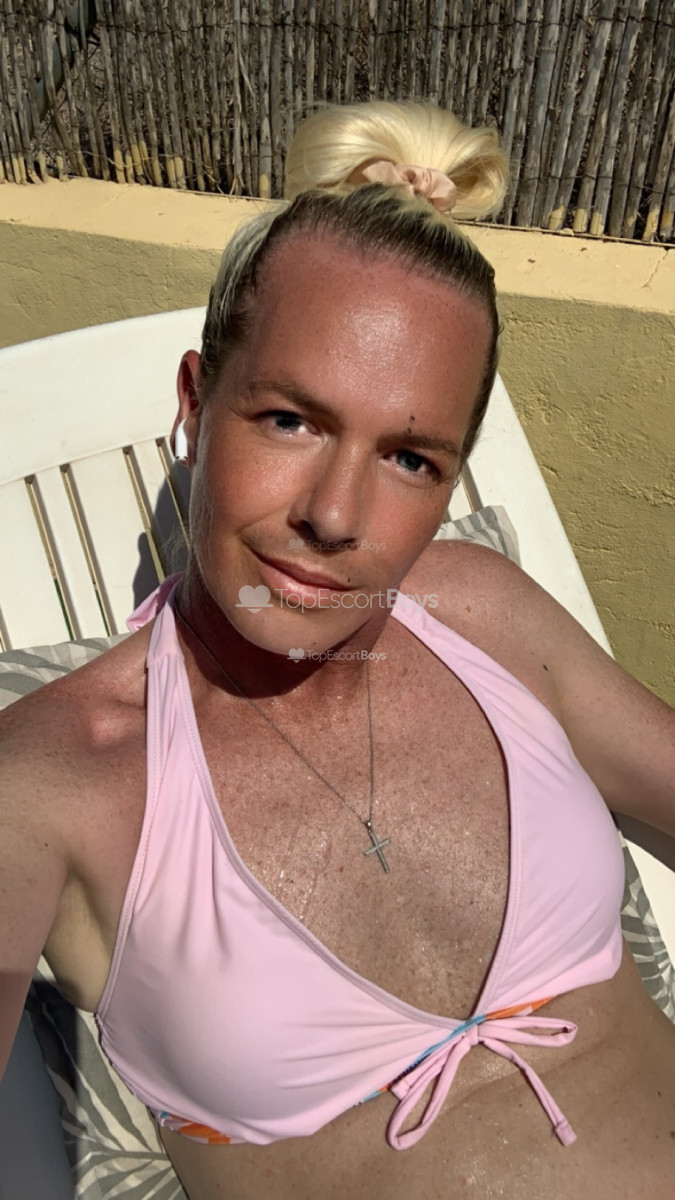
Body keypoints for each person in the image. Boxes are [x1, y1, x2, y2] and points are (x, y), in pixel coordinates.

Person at [1, 99, 674, 1200]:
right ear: (196, 402)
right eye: (290, 420)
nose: (333, 515)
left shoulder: (478, 616)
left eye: (410, 458)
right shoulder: (54, 780)